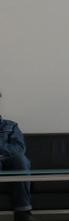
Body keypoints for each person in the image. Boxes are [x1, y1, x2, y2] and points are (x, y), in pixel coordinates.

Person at [0, 92, 37, 221]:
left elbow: (19, 149)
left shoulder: (11, 125)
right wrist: (5, 147)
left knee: (21, 160)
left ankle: (23, 212)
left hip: (10, 161)